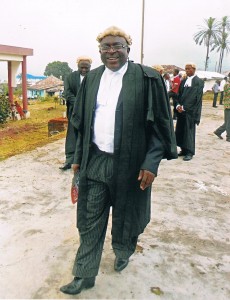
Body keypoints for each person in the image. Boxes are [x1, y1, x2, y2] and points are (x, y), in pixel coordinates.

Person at [60, 25, 178, 295]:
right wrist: (78, 158)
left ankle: (123, 251)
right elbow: (80, 125)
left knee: (127, 218)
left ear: (128, 49)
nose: (111, 51)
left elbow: (160, 127)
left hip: (132, 164)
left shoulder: (147, 78)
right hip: (96, 161)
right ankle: (84, 274)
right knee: (90, 220)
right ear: (99, 51)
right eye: (106, 47)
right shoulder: (92, 79)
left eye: (117, 46)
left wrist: (151, 164)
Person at [59, 56, 92, 170]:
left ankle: (86, 160)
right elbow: (67, 94)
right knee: (72, 135)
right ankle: (69, 160)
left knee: (88, 134)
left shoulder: (94, 77)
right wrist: (79, 104)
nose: (84, 70)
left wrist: (87, 104)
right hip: (74, 111)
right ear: (77, 66)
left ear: (90, 67)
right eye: (81, 67)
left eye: (86, 68)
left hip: (90, 111)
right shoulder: (70, 77)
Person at [175, 63, 204, 161]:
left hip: (191, 112)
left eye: (189, 69)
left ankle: (189, 152)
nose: (187, 71)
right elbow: (179, 94)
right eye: (186, 69)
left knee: (189, 132)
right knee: (181, 130)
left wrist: (185, 107)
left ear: (194, 69)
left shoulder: (199, 82)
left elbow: (196, 98)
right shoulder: (183, 81)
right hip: (181, 111)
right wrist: (178, 105)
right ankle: (183, 149)